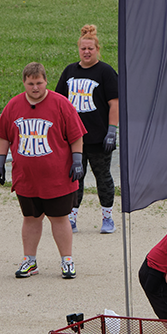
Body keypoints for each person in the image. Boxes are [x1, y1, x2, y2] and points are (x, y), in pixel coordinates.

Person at [0, 62, 86, 279]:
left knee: (59, 218)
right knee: (31, 218)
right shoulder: (14, 106)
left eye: (39, 82)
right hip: (27, 178)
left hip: (58, 178)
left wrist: (77, 160)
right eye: (30, 83)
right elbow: (3, 135)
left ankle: (67, 260)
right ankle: (30, 260)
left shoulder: (61, 104)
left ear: (46, 81)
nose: (35, 87)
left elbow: (76, 135)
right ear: (24, 83)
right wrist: (0, 162)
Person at [55, 24, 119, 235]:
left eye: (90, 48)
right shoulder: (69, 71)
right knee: (75, 178)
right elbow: (59, 102)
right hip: (73, 138)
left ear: (97, 48)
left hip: (99, 138)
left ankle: (107, 217)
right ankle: (71, 217)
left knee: (103, 178)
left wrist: (112, 130)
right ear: (78, 49)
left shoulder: (106, 72)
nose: (87, 52)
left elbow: (114, 103)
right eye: (83, 48)